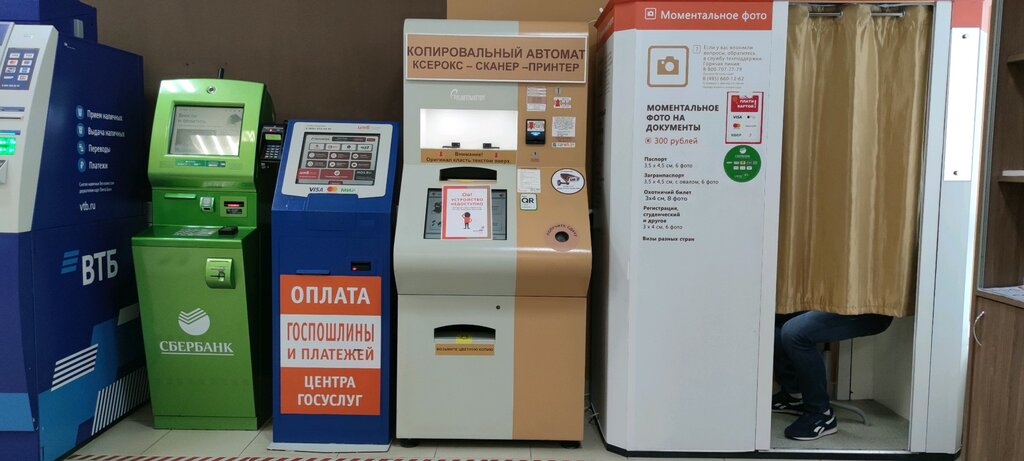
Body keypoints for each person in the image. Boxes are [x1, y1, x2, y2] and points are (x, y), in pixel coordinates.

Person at [773, 311, 893, 441]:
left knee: (794, 333)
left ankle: (821, 413)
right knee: (772, 319)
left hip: (870, 311)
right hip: (832, 305)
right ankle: (794, 396)